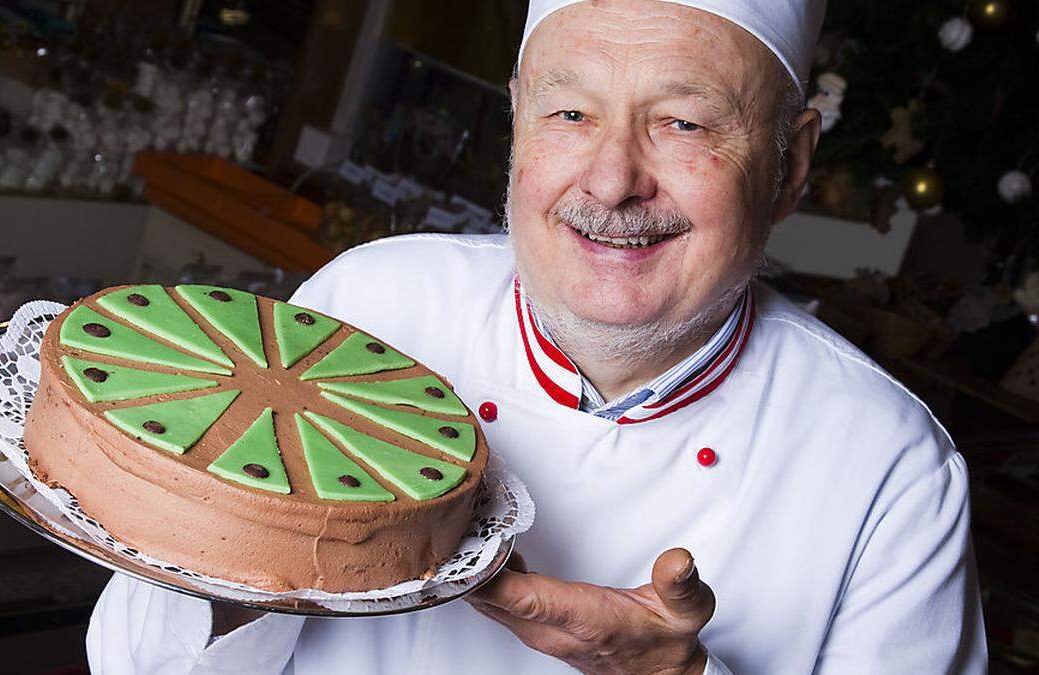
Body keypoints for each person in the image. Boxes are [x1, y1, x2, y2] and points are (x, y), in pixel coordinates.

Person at [87, 1, 988, 672]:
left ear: (789, 165)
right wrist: (242, 555)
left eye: (683, 122)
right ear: (517, 118)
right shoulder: (367, 306)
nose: (613, 179)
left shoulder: (889, 468)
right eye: (571, 112)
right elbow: (132, 660)